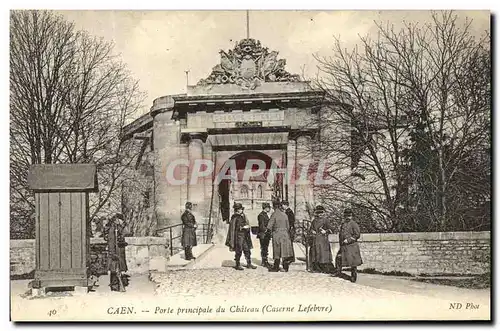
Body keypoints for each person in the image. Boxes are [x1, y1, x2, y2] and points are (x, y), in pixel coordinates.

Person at [225, 202, 257, 270]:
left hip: (245, 236)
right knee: (238, 250)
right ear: (236, 210)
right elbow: (233, 228)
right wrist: (241, 227)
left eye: (241, 209)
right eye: (239, 209)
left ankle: (249, 263)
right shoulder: (234, 217)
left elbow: (246, 223)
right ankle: (237, 264)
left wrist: (247, 227)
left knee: (247, 249)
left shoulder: (243, 216)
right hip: (238, 236)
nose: (240, 210)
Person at [266, 201, 294, 272]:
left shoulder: (274, 214)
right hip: (285, 234)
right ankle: (285, 267)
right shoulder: (285, 214)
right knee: (285, 251)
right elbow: (288, 226)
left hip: (277, 234)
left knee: (277, 251)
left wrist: (270, 232)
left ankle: (276, 267)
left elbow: (269, 225)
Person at [104, 213, 129, 292]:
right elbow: (111, 241)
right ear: (117, 220)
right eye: (121, 220)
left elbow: (125, 233)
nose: (122, 222)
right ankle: (115, 286)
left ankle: (117, 285)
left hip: (118, 251)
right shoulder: (113, 229)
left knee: (117, 269)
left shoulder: (118, 228)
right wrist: (112, 253)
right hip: (115, 252)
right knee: (114, 269)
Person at [337, 208, 363, 282]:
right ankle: (338, 273)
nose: (347, 217)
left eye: (349, 216)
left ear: (351, 216)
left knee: (353, 263)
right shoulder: (343, 224)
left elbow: (357, 235)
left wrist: (348, 240)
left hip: (352, 246)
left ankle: (353, 277)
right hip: (344, 246)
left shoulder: (354, 224)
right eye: (346, 215)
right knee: (338, 258)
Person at [308, 205, 335, 274]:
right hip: (316, 240)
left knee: (323, 254)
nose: (320, 214)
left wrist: (325, 231)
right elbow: (311, 229)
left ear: (323, 213)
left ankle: (325, 268)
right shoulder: (314, 221)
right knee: (316, 254)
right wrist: (312, 231)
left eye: (321, 213)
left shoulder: (326, 220)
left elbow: (332, 229)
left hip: (323, 240)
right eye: (318, 213)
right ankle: (317, 268)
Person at [257, 202, 272, 267]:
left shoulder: (265, 214)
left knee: (265, 248)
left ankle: (265, 261)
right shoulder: (261, 215)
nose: (269, 209)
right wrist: (267, 230)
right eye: (269, 208)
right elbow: (262, 226)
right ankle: (264, 262)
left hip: (266, 234)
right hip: (263, 235)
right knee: (264, 248)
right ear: (266, 208)